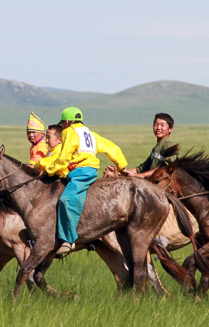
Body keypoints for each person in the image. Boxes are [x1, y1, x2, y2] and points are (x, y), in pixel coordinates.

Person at [44, 107, 128, 255]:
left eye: (63, 123)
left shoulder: (69, 132)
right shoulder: (91, 133)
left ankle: (67, 241)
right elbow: (112, 148)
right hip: (88, 171)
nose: (62, 127)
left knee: (66, 199)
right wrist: (122, 165)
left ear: (67, 121)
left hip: (80, 172)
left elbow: (63, 157)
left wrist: (50, 170)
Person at [120, 113, 177, 178]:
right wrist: (119, 172)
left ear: (170, 129)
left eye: (162, 125)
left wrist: (143, 175)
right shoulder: (156, 148)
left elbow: (166, 167)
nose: (158, 128)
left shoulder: (169, 144)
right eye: (156, 124)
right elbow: (141, 169)